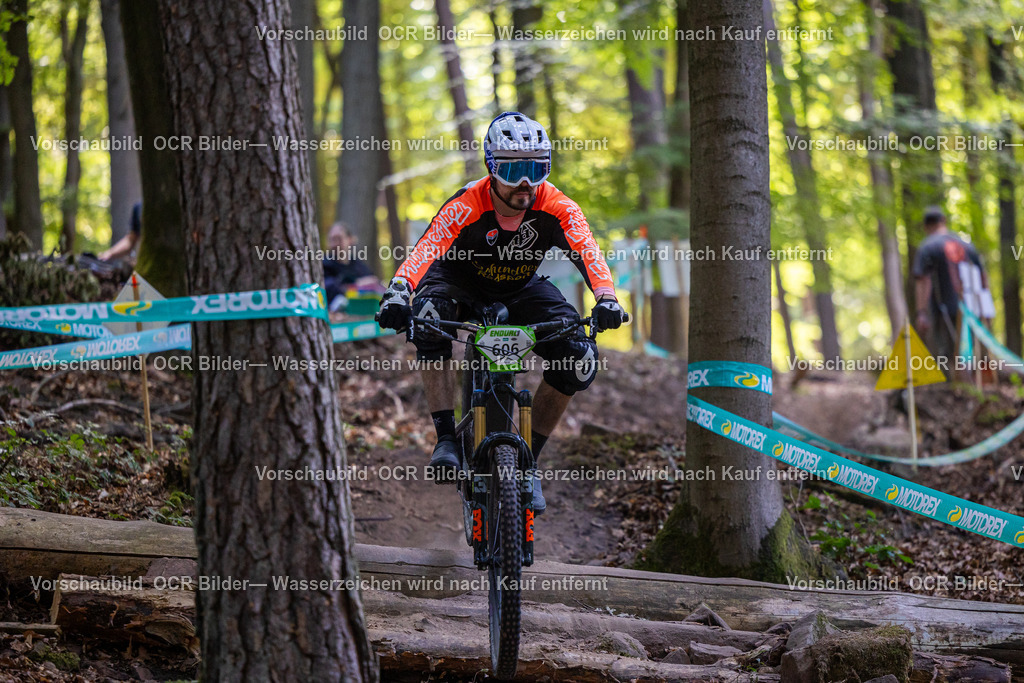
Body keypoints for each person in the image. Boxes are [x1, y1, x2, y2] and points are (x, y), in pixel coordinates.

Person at [376, 111, 625, 514]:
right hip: (458, 279)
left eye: (536, 169)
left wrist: (607, 298)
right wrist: (398, 292)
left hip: (521, 283)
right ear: (492, 168)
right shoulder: (467, 203)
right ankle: (445, 438)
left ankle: (529, 463)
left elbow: (588, 251)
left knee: (580, 359)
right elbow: (427, 248)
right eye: (513, 170)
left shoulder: (556, 205)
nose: (526, 183)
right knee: (429, 318)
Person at [912, 206, 990, 369]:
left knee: (948, 352)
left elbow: (923, 280)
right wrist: (986, 310)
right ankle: (970, 384)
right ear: (944, 221)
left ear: (926, 226)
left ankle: (957, 388)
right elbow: (983, 277)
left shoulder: (927, 247)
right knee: (968, 350)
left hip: (944, 309)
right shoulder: (967, 245)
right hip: (972, 308)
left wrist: (921, 312)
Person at [323, 222, 382, 311]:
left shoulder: (358, 265)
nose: (335, 244)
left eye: (339, 238)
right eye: (332, 240)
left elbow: (372, 281)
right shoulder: (324, 265)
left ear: (350, 239)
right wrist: (356, 285)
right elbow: (328, 287)